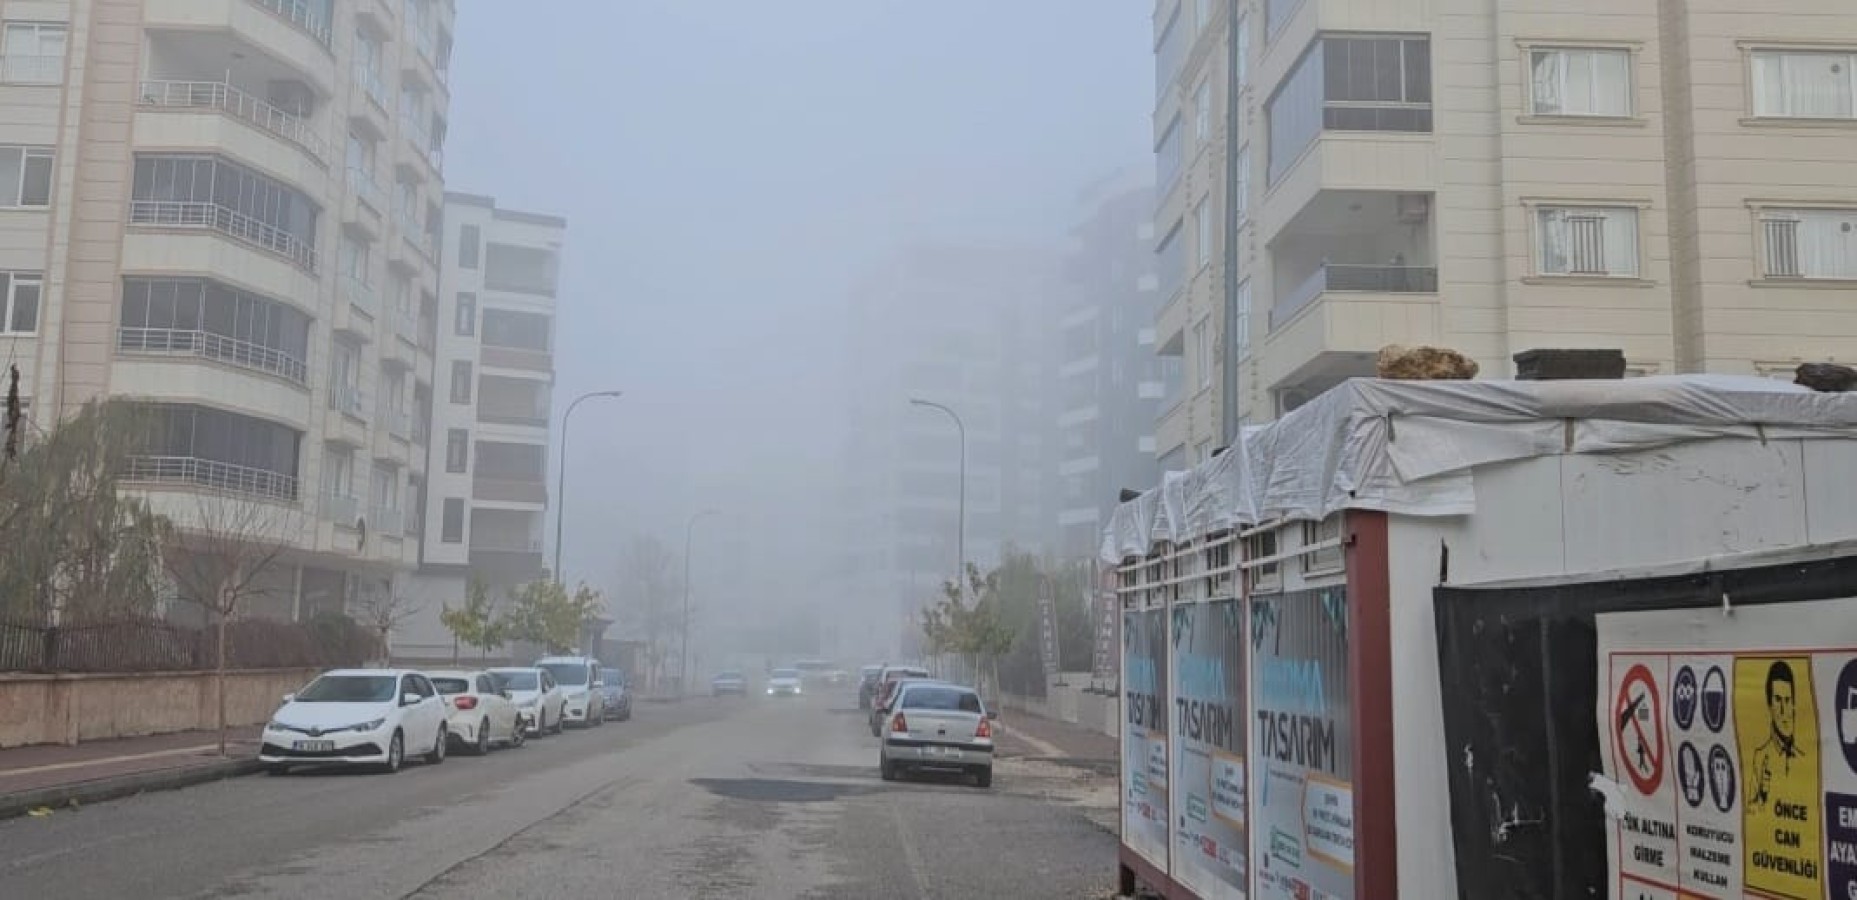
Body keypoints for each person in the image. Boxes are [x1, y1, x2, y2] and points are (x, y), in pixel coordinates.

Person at [1748, 660, 1804, 808]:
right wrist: (1762, 799)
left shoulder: (1803, 758)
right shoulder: (1760, 759)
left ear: (1793, 704)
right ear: (1769, 705)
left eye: (1788, 700)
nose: (1784, 710)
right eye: (1778, 700)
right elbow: (1750, 814)